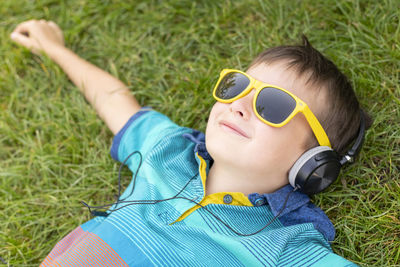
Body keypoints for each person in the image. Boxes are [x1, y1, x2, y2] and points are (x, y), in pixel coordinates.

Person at [11, 19, 372, 266]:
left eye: (272, 105)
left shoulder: (286, 246)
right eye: (238, 86)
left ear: (314, 164)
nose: (240, 105)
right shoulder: (167, 149)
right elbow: (112, 98)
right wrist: (54, 48)